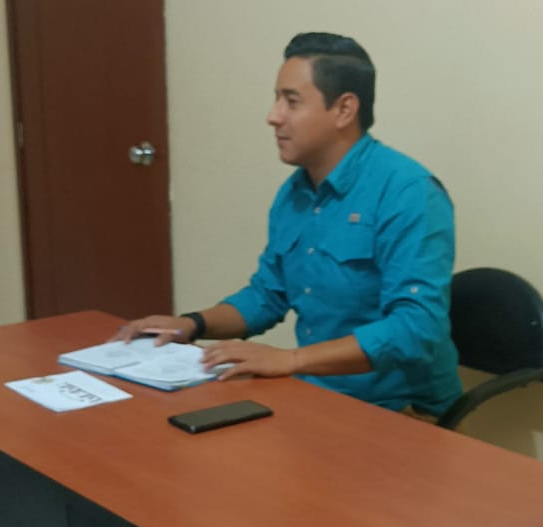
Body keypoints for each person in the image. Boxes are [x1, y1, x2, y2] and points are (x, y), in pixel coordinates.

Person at [114, 32, 462, 419]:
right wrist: (190, 324)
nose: (273, 116)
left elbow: (416, 329)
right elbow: (269, 294)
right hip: (314, 393)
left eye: (291, 101)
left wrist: (290, 359)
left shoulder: (409, 193)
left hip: (399, 411)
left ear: (344, 109)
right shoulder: (296, 191)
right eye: (277, 99)